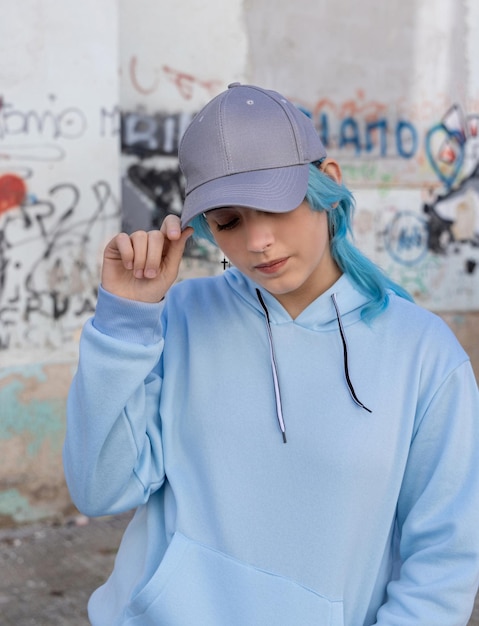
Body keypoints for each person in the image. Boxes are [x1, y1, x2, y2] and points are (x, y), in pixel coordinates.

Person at [63, 83, 479, 626]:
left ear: (328, 180)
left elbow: (443, 562)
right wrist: (124, 321)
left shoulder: (424, 354)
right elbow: (98, 490)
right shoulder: (178, 317)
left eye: (276, 205)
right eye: (228, 220)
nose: (258, 241)